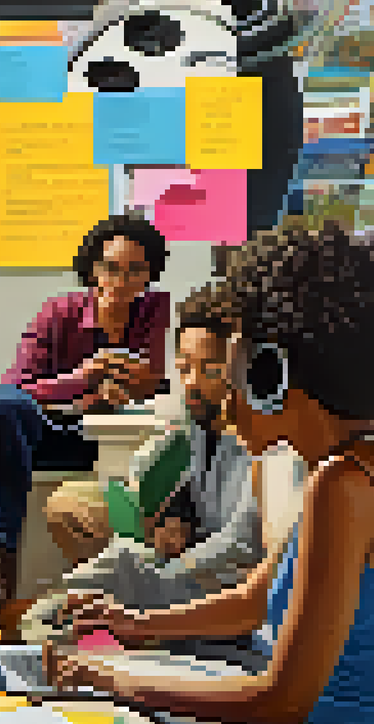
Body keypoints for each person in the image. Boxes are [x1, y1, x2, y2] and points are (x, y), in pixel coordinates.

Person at [55, 222, 374, 724]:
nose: (221, 390)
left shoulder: (343, 486)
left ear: (273, 375)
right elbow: (256, 599)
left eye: (232, 367)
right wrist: (136, 623)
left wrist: (114, 676)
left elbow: (280, 703)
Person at [25, 282, 274, 658]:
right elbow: (179, 478)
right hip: (192, 565)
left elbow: (241, 544)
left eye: (209, 369)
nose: (191, 381)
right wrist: (178, 517)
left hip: (227, 593)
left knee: (127, 574)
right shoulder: (199, 421)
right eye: (185, 367)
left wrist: (155, 578)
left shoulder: (266, 445)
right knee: (89, 578)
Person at [0, 214, 172, 607]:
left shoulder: (157, 310)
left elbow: (162, 380)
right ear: (92, 270)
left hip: (128, 438)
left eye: (135, 271)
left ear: (150, 275)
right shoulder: (59, 311)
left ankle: (136, 584)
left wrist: (131, 386)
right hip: (63, 433)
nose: (121, 281)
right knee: (2, 406)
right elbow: (19, 385)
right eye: (111, 268)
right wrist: (81, 379)